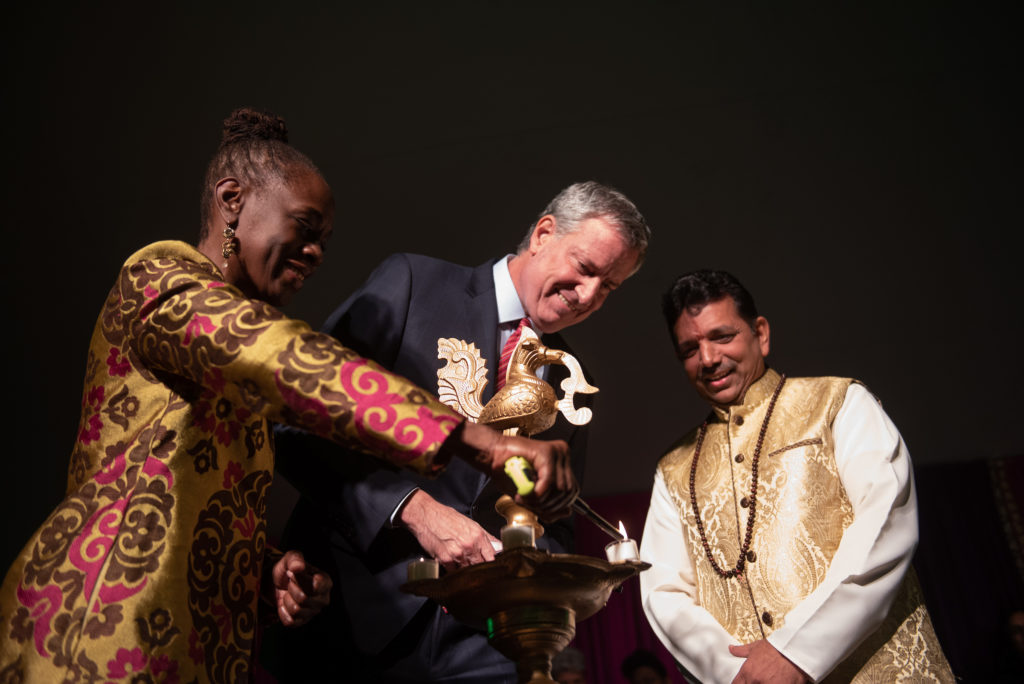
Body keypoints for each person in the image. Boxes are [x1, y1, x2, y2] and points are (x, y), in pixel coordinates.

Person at [0, 108, 576, 684]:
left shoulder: (240, 357)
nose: (316, 253)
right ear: (232, 199)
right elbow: (288, 360)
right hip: (101, 621)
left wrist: (267, 571)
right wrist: (478, 440)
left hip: (198, 642)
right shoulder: (158, 276)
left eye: (324, 241)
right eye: (304, 228)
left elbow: (194, 499)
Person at [268, 181, 650, 682]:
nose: (590, 295)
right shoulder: (413, 285)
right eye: (586, 268)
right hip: (352, 618)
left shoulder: (573, 382)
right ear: (542, 234)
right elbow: (296, 421)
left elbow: (555, 526)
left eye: (611, 286)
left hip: (482, 646)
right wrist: (414, 509)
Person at [640, 269, 954, 683]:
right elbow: (664, 592)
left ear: (761, 334)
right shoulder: (674, 468)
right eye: (689, 349)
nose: (709, 359)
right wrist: (736, 672)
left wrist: (797, 652)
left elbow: (885, 526)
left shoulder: (839, 402)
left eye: (722, 336)